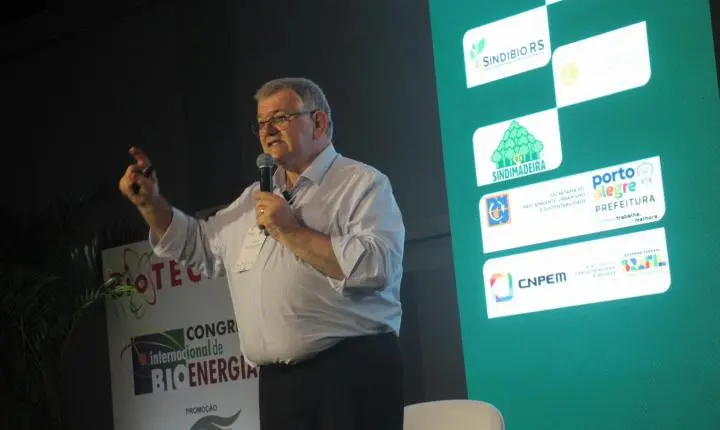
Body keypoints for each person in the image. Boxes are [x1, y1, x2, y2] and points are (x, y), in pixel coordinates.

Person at [118, 77, 406, 430]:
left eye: (280, 118)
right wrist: (151, 205)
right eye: (260, 123)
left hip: (350, 376)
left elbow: (377, 267)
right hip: (279, 387)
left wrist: (292, 231)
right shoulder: (254, 197)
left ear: (318, 122)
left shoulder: (360, 183)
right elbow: (198, 245)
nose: (267, 131)